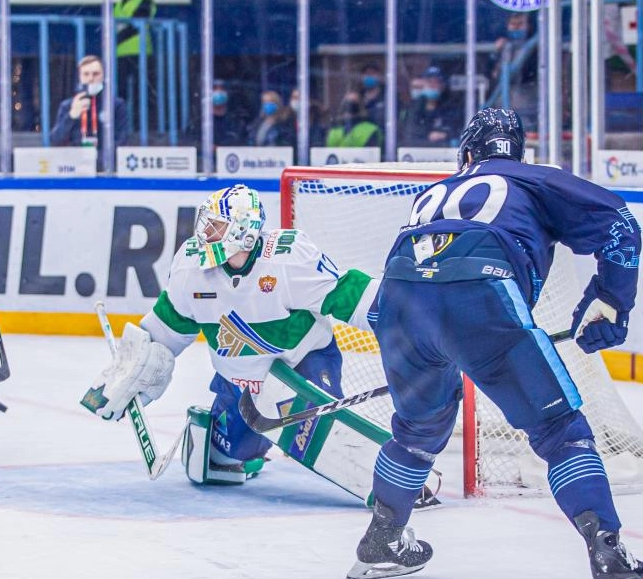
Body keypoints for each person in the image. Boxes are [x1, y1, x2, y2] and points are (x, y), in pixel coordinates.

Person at [346, 108, 643, 579]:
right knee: (560, 430)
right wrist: (611, 297)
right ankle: (613, 561)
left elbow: (423, 272)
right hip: (480, 293)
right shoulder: (533, 178)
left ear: (467, 152)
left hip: (400, 299)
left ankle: (381, 540)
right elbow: (620, 225)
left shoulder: (434, 191)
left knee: (417, 431)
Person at [86, 184, 439, 499]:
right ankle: (241, 446)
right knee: (219, 465)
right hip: (237, 378)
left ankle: (397, 481)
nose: (204, 233)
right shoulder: (189, 269)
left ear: (243, 230)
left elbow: (353, 296)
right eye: (204, 224)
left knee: (318, 431)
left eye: (216, 226)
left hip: (302, 365)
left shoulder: (288, 259)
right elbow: (164, 332)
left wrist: (419, 327)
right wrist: (134, 368)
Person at [50, 54, 128, 162]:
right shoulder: (68, 105)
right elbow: (55, 140)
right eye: (86, 74)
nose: (91, 79)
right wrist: (72, 116)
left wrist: (95, 160)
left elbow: (122, 141)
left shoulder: (116, 105)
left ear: (104, 76)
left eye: (96, 74)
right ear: (80, 77)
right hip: (74, 167)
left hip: (106, 167)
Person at [113, 0, 154, 134]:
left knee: (141, 93)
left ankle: (141, 129)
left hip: (140, 52)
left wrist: (116, 39)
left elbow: (135, 24)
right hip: (121, 53)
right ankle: (122, 127)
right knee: (121, 93)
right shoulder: (121, 1)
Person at [488, 11, 538, 131]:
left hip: (527, 105)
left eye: (520, 24)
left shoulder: (535, 48)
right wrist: (496, 53)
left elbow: (529, 75)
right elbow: (490, 75)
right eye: (513, 24)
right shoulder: (504, 47)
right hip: (502, 107)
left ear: (529, 26)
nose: (516, 27)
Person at [399, 65, 457, 148]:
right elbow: (409, 132)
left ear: (443, 85)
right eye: (429, 82)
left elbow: (456, 130)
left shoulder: (450, 108)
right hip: (415, 151)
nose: (432, 85)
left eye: (436, 82)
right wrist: (427, 134)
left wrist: (446, 134)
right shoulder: (414, 108)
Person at [204, 78, 245, 147]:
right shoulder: (200, 123)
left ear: (227, 93)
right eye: (215, 89)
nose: (218, 92)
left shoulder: (237, 122)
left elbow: (242, 143)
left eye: (222, 89)